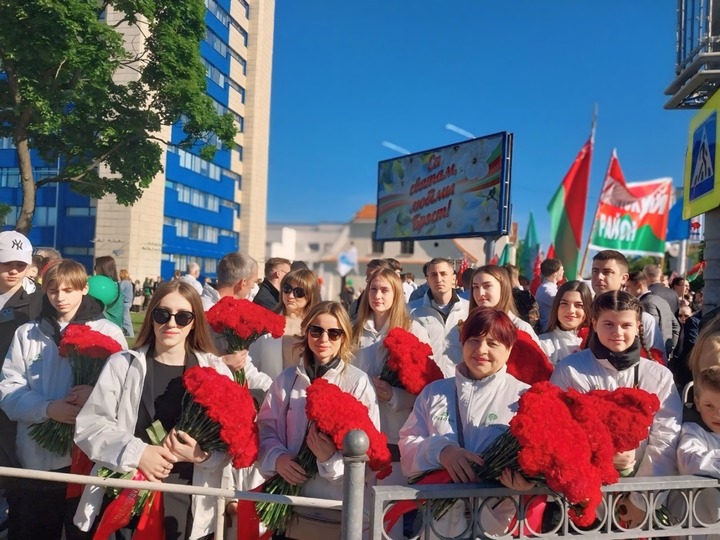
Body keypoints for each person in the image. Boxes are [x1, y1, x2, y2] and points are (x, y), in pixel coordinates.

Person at [73, 280, 230, 539]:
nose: (171, 323)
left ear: (194, 322)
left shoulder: (216, 370)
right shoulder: (122, 364)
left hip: (187, 500)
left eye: (183, 317)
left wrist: (202, 456)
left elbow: (230, 444)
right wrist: (139, 453)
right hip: (127, 494)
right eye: (162, 314)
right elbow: (90, 426)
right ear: (151, 317)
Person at [0, 260, 127, 540]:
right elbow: (8, 388)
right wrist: (47, 409)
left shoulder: (108, 332)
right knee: (32, 531)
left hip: (86, 457)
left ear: (84, 289)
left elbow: (125, 390)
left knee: (82, 532)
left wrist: (95, 393)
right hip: (36, 459)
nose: (60, 297)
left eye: (69, 290)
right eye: (53, 290)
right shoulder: (28, 333)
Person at [399, 307, 534, 538]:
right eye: (474, 340)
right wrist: (441, 451)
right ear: (462, 343)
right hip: (438, 526)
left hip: (497, 527)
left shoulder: (523, 398)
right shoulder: (434, 393)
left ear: (509, 349)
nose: (481, 350)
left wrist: (528, 483)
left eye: (492, 343)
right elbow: (407, 449)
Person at [550, 290, 682, 527]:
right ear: (594, 323)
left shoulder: (658, 375)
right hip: (583, 497)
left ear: (638, 326)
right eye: (608, 324)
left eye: (626, 325)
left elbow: (666, 439)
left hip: (639, 499)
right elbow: (558, 431)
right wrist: (587, 486)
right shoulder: (569, 370)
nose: (617, 332)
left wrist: (642, 499)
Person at [257, 301, 380, 536]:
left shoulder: (357, 382)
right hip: (289, 506)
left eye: (334, 333)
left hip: (336, 509)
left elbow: (369, 454)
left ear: (344, 338)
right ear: (306, 332)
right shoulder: (287, 379)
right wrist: (277, 458)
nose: (324, 339)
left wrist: (330, 460)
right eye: (316, 330)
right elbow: (265, 429)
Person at [351, 268, 434, 536]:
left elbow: (426, 389)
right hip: (360, 433)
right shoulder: (354, 330)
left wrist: (394, 396)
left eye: (385, 290)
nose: (378, 295)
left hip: (395, 434)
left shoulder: (413, 330)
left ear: (397, 294)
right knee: (360, 516)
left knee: (389, 520)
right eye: (373, 289)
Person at [0, 232, 43, 479]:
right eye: (7, 263)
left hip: (19, 395)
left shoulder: (42, 302)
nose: (14, 270)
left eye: (20, 264)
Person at [590, 250, 666, 360]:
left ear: (624, 278)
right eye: (595, 271)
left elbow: (656, 362)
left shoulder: (643, 319)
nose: (599, 277)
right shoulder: (579, 313)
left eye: (607, 272)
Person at [249, 268, 321, 380]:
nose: (290, 295)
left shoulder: (318, 327)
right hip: (268, 387)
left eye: (299, 292)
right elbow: (252, 362)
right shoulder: (265, 322)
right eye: (287, 289)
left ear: (310, 295)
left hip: (304, 389)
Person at [676, 365, 720, 538]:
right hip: (698, 528)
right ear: (698, 403)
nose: (717, 414)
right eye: (709, 405)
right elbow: (689, 460)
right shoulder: (693, 430)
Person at [408, 258, 469, 377]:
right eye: (434, 275)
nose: (439, 279)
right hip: (426, 380)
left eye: (443, 274)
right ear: (427, 280)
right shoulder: (412, 311)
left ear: (453, 279)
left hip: (460, 380)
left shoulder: (468, 310)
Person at [469, 265, 542, 346]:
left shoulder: (520, 329)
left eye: (487, 286)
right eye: (476, 287)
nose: (480, 293)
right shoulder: (470, 326)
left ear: (503, 287)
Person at [626, 271, 679, 358]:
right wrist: (669, 348)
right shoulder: (661, 300)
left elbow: (650, 332)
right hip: (662, 353)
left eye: (628, 287)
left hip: (651, 356)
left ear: (639, 285)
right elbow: (676, 326)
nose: (626, 290)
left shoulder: (645, 304)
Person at [538, 280, 593, 365]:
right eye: (564, 303)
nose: (570, 310)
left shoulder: (598, 341)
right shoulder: (543, 343)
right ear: (556, 307)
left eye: (578, 305)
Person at [93, 256, 125, 331]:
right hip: (114, 324)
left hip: (108, 325)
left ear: (102, 268)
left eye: (95, 267)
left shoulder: (107, 286)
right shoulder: (116, 285)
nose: (94, 269)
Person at [535, 258, 564, 333]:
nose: (563, 272)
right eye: (562, 270)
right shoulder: (546, 290)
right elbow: (563, 305)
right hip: (550, 332)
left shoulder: (549, 287)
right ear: (555, 275)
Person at [118, 269, 135, 337]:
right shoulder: (129, 283)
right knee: (124, 318)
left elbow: (119, 290)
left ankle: (130, 334)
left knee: (126, 319)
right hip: (128, 302)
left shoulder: (124, 283)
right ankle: (126, 332)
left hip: (124, 303)